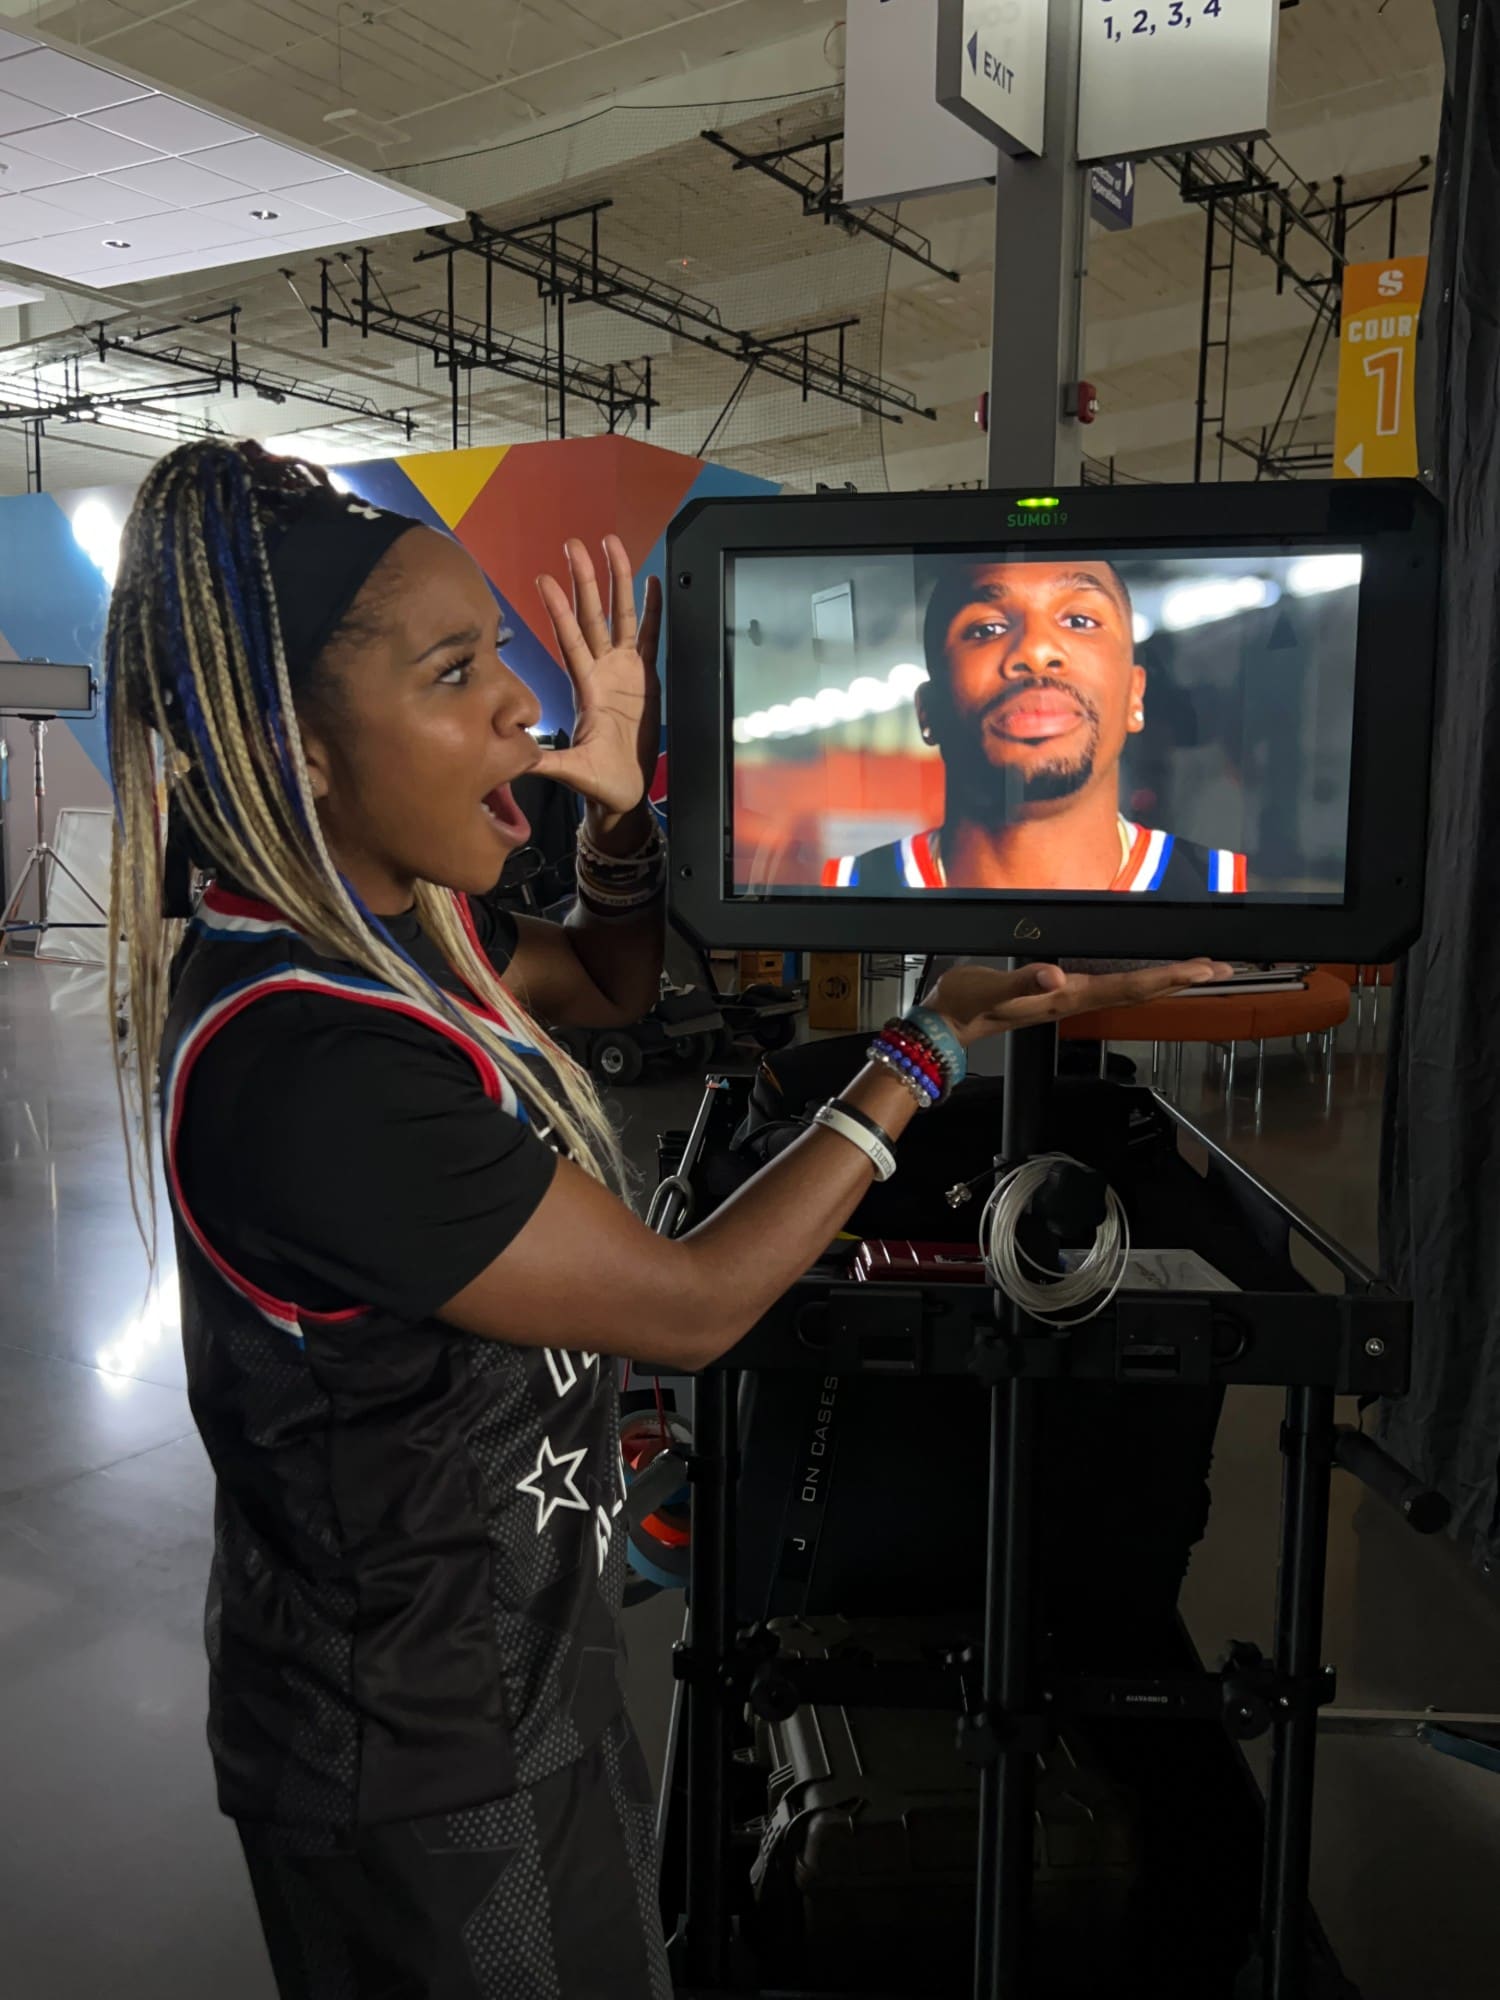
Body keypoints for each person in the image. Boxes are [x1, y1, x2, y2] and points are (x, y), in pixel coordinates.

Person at [105, 440, 1228, 2000]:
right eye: (454, 672)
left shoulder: (381, 945)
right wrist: (930, 1040)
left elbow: (603, 982)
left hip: (505, 1673)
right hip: (414, 1752)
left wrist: (617, 816)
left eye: (498, 653)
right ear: (296, 748)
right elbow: (697, 1303)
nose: (520, 704)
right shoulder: (308, 1064)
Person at [822, 556, 1249, 896]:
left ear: (1135, 696)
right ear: (928, 713)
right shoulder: (840, 888)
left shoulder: (1231, 885)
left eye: (1079, 621)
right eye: (987, 628)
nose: (1037, 649)